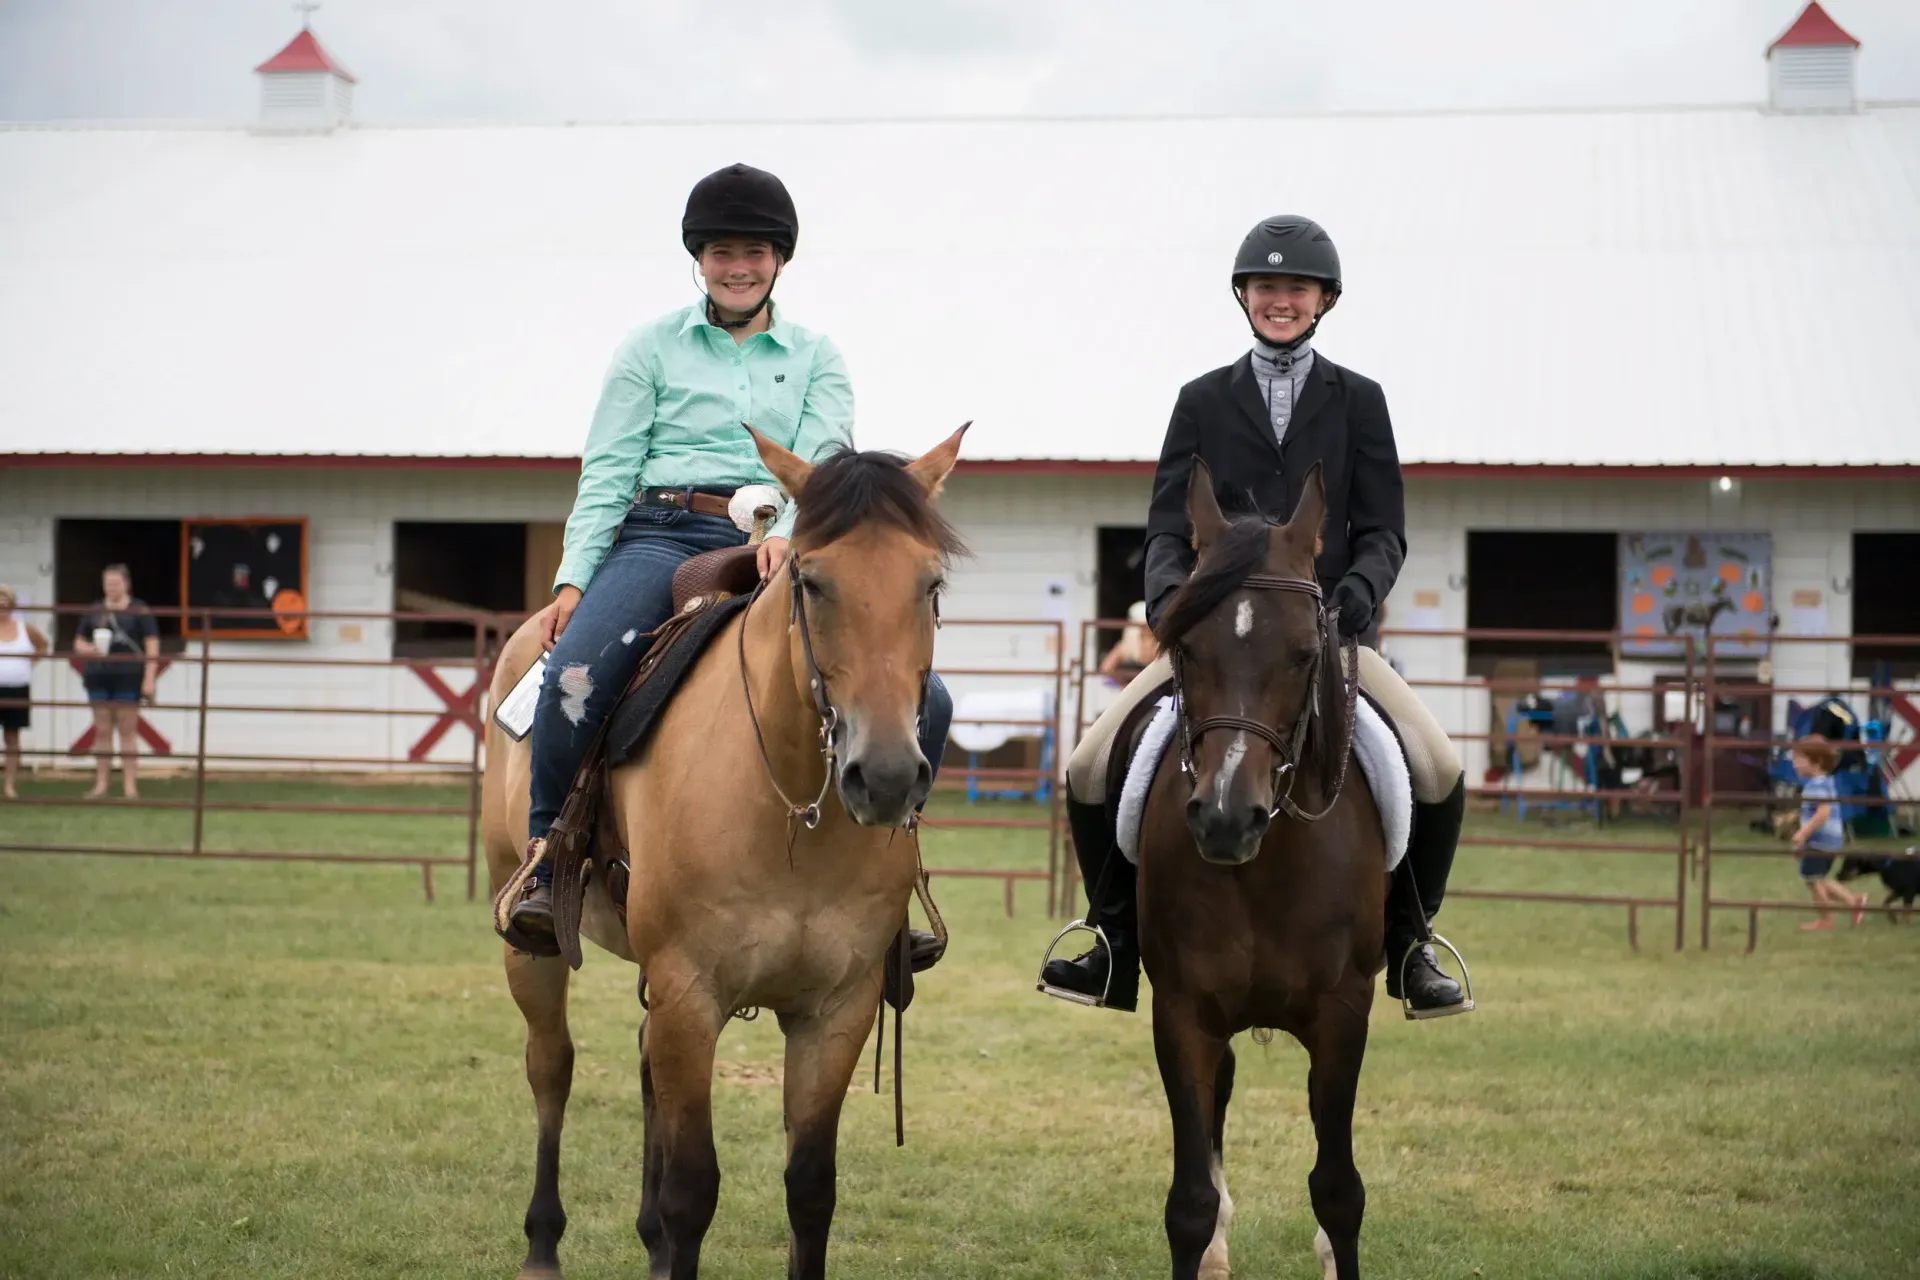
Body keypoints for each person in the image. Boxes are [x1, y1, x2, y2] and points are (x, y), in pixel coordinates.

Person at [500, 163, 954, 949]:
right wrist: (576, 577)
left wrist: (790, 525)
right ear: (698, 260)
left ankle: (891, 873)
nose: (737, 266)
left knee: (931, 699)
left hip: (782, 535)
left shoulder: (818, 356)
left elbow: (820, 456)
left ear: (780, 259)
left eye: (753, 251)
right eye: (719, 252)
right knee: (574, 676)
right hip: (662, 531)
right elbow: (608, 465)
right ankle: (549, 859)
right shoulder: (647, 349)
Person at [1040, 215, 1471, 1017]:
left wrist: (1357, 596)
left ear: (1322, 300)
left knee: (1437, 767)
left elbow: (1383, 531)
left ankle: (1413, 943)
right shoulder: (1201, 399)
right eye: (1266, 287)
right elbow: (1169, 526)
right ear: (1244, 295)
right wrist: (1171, 602)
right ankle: (1112, 940)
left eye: (1295, 288)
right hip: (1215, 641)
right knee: (1091, 766)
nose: (1280, 300)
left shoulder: (1361, 402)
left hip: (1325, 641)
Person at [75, 564, 159, 801]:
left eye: (116, 583)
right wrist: (88, 649)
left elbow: (152, 646)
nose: (111, 588)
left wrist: (149, 679)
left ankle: (130, 787)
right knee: (101, 731)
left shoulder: (140, 610)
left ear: (126, 584)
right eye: (108, 583)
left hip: (129, 677)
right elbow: (78, 642)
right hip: (98, 675)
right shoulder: (94, 610)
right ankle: (101, 785)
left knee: (127, 731)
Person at [1789, 737, 1866, 931]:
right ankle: (1854, 901)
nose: (1794, 763)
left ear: (1816, 762)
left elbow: (1823, 812)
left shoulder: (1816, 785)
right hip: (1829, 840)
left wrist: (1802, 834)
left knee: (1813, 880)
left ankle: (1827, 919)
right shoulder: (1826, 782)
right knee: (1818, 878)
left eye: (1799, 759)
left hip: (1820, 840)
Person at [0, 585, 51, 800]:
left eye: (5, 605)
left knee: (12, 738)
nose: (2, 609)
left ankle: (9, 785)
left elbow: (43, 645)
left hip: (17, 690)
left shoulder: (25, 628)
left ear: (12, 607)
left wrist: (30, 662)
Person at [1097, 600, 1159, 685]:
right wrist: (1124, 686)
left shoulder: (1160, 643)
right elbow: (1106, 669)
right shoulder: (1126, 646)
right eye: (1143, 625)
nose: (1146, 629)